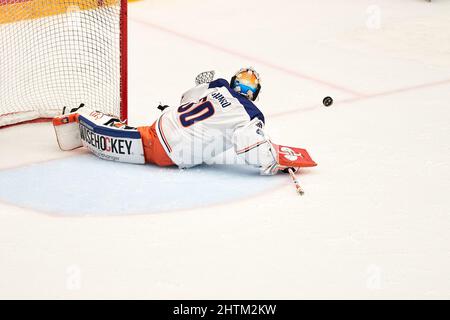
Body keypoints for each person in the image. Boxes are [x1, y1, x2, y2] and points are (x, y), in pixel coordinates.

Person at [53, 68, 316, 175]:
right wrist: (274, 163)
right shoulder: (249, 113)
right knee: (132, 140)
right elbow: (249, 147)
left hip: (162, 129)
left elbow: (184, 98)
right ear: (255, 95)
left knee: (137, 134)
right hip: (172, 151)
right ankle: (88, 118)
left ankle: (91, 116)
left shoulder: (217, 86)